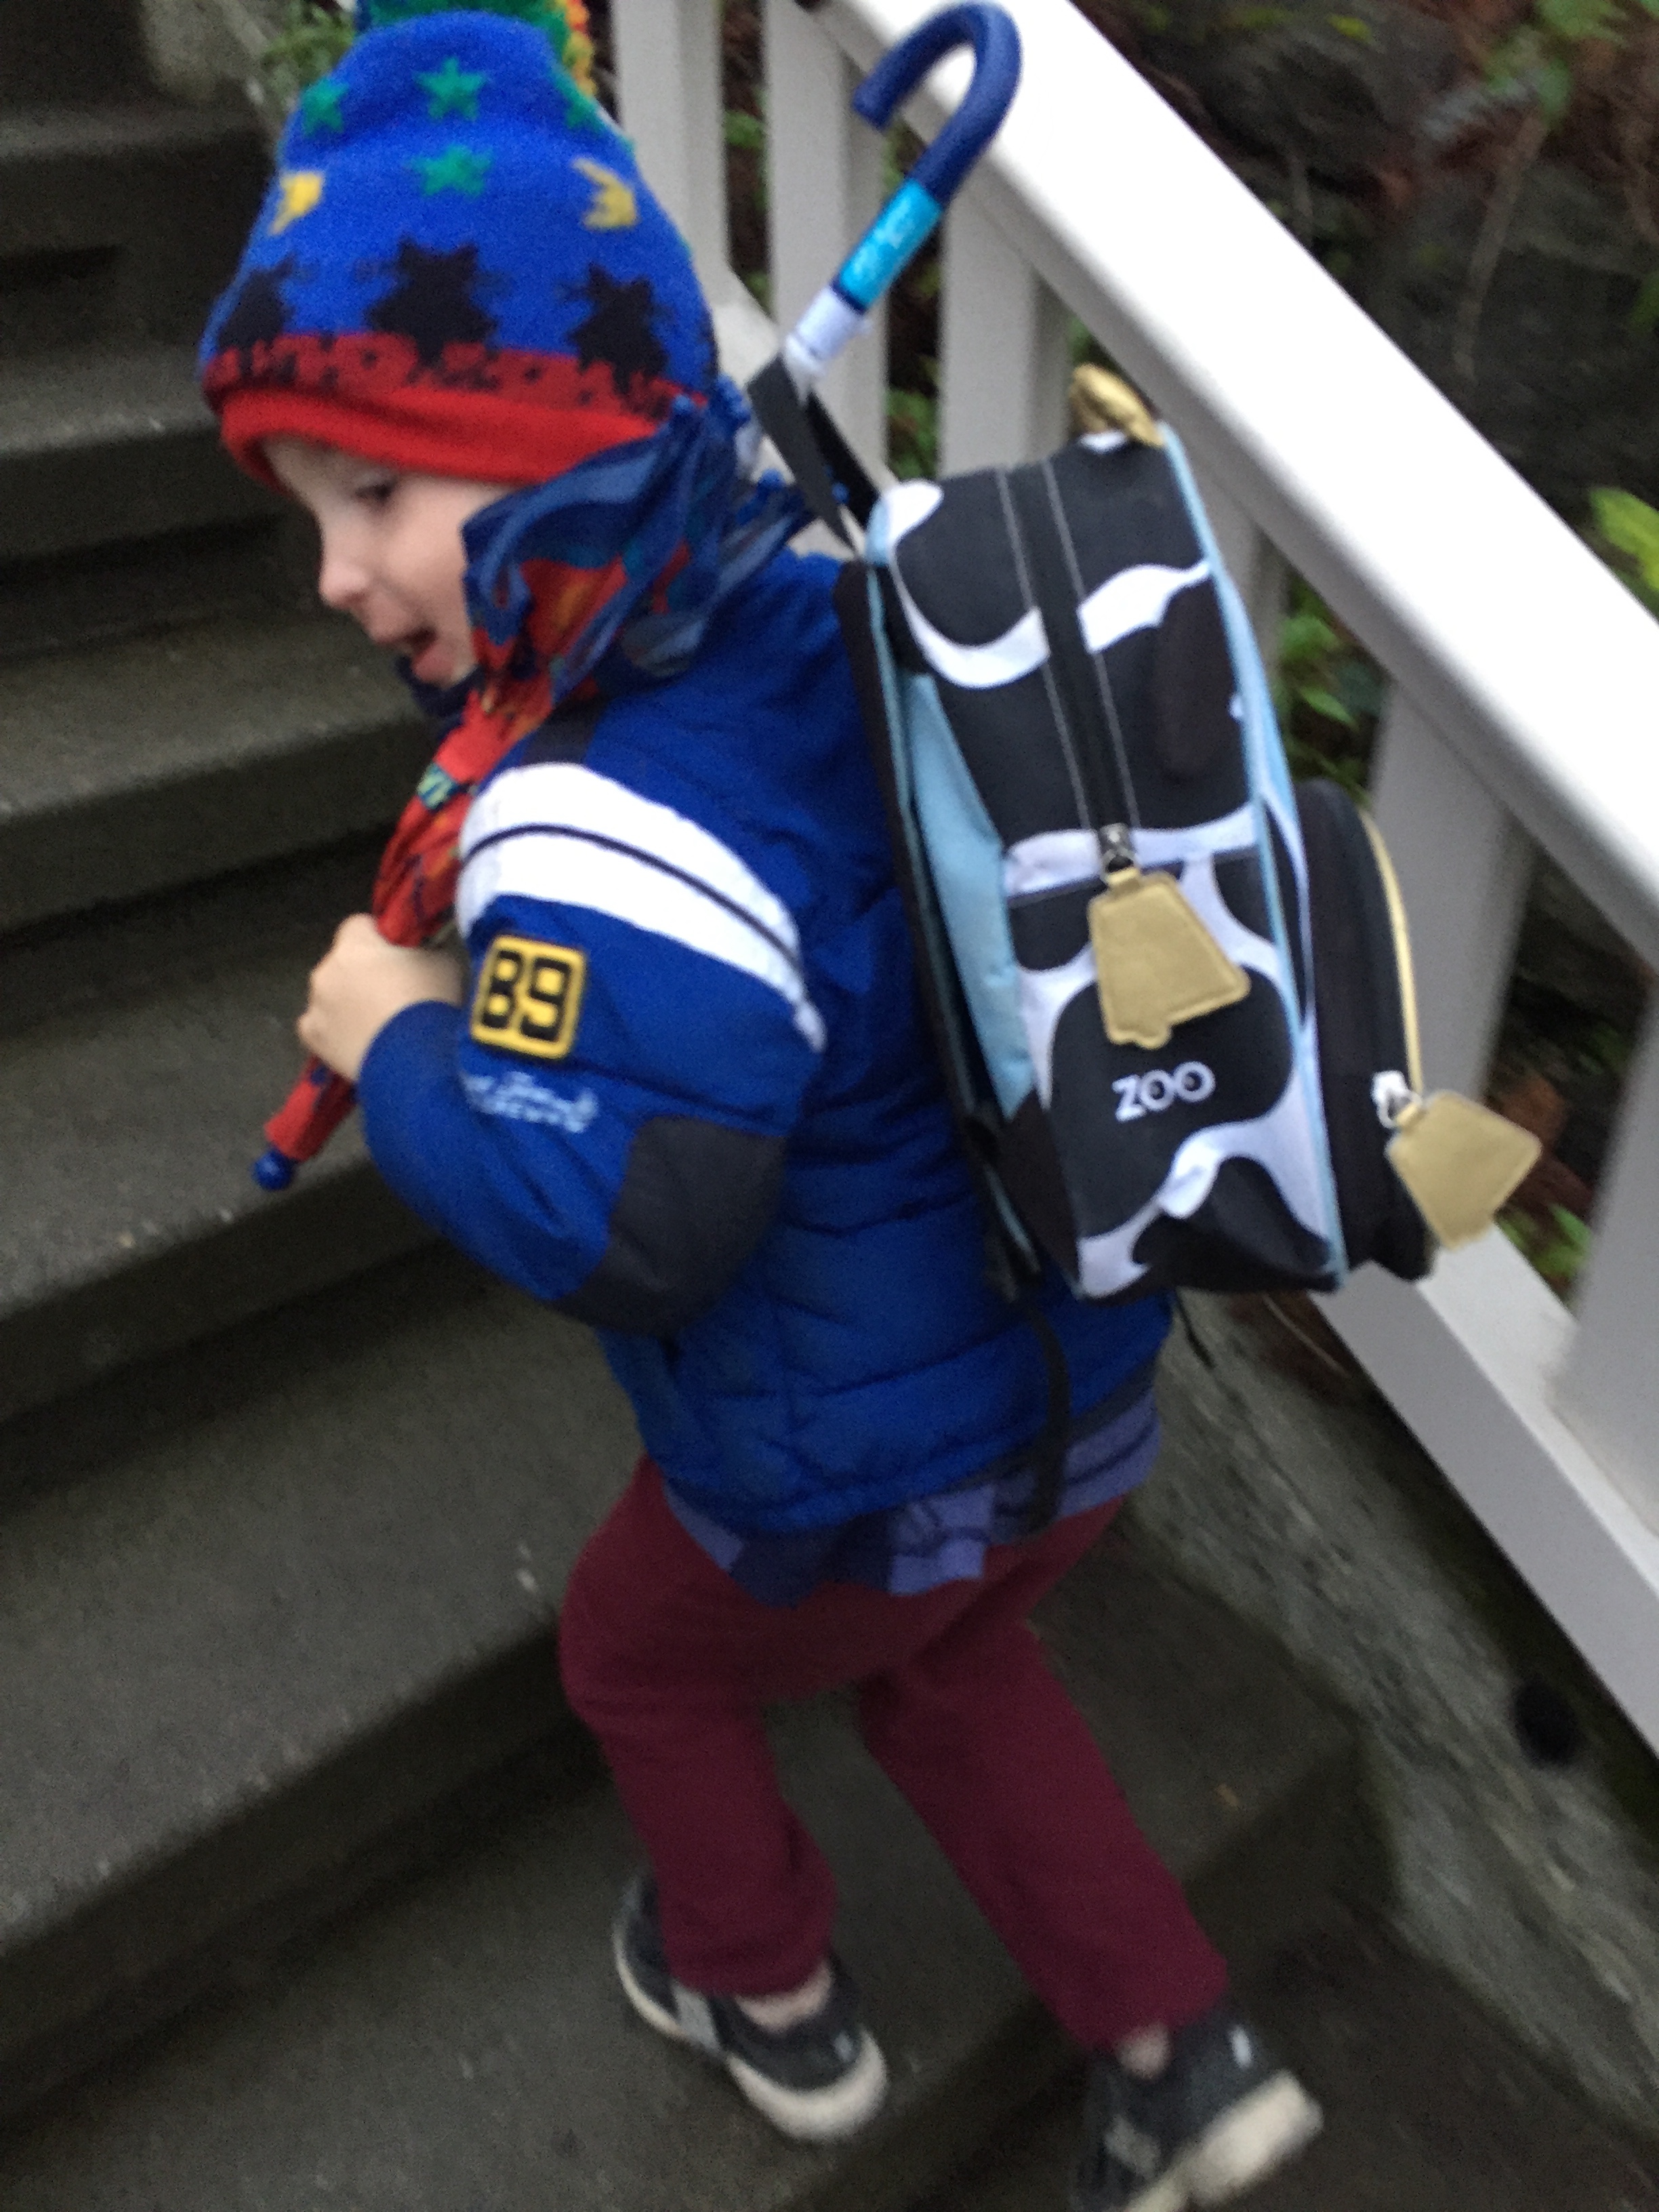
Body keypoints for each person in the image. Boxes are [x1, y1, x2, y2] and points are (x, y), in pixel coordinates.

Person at [197, 7, 1321, 2205]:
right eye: (310, 513)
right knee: (962, 1671)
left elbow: (627, 1220)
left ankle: (763, 1990)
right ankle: (1185, 2050)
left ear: (550, 454)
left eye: (378, 495)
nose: (335, 576)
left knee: (638, 1660)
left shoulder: (600, 823)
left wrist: (393, 1036)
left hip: (827, 1470)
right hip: (1072, 1379)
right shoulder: (830, 601)